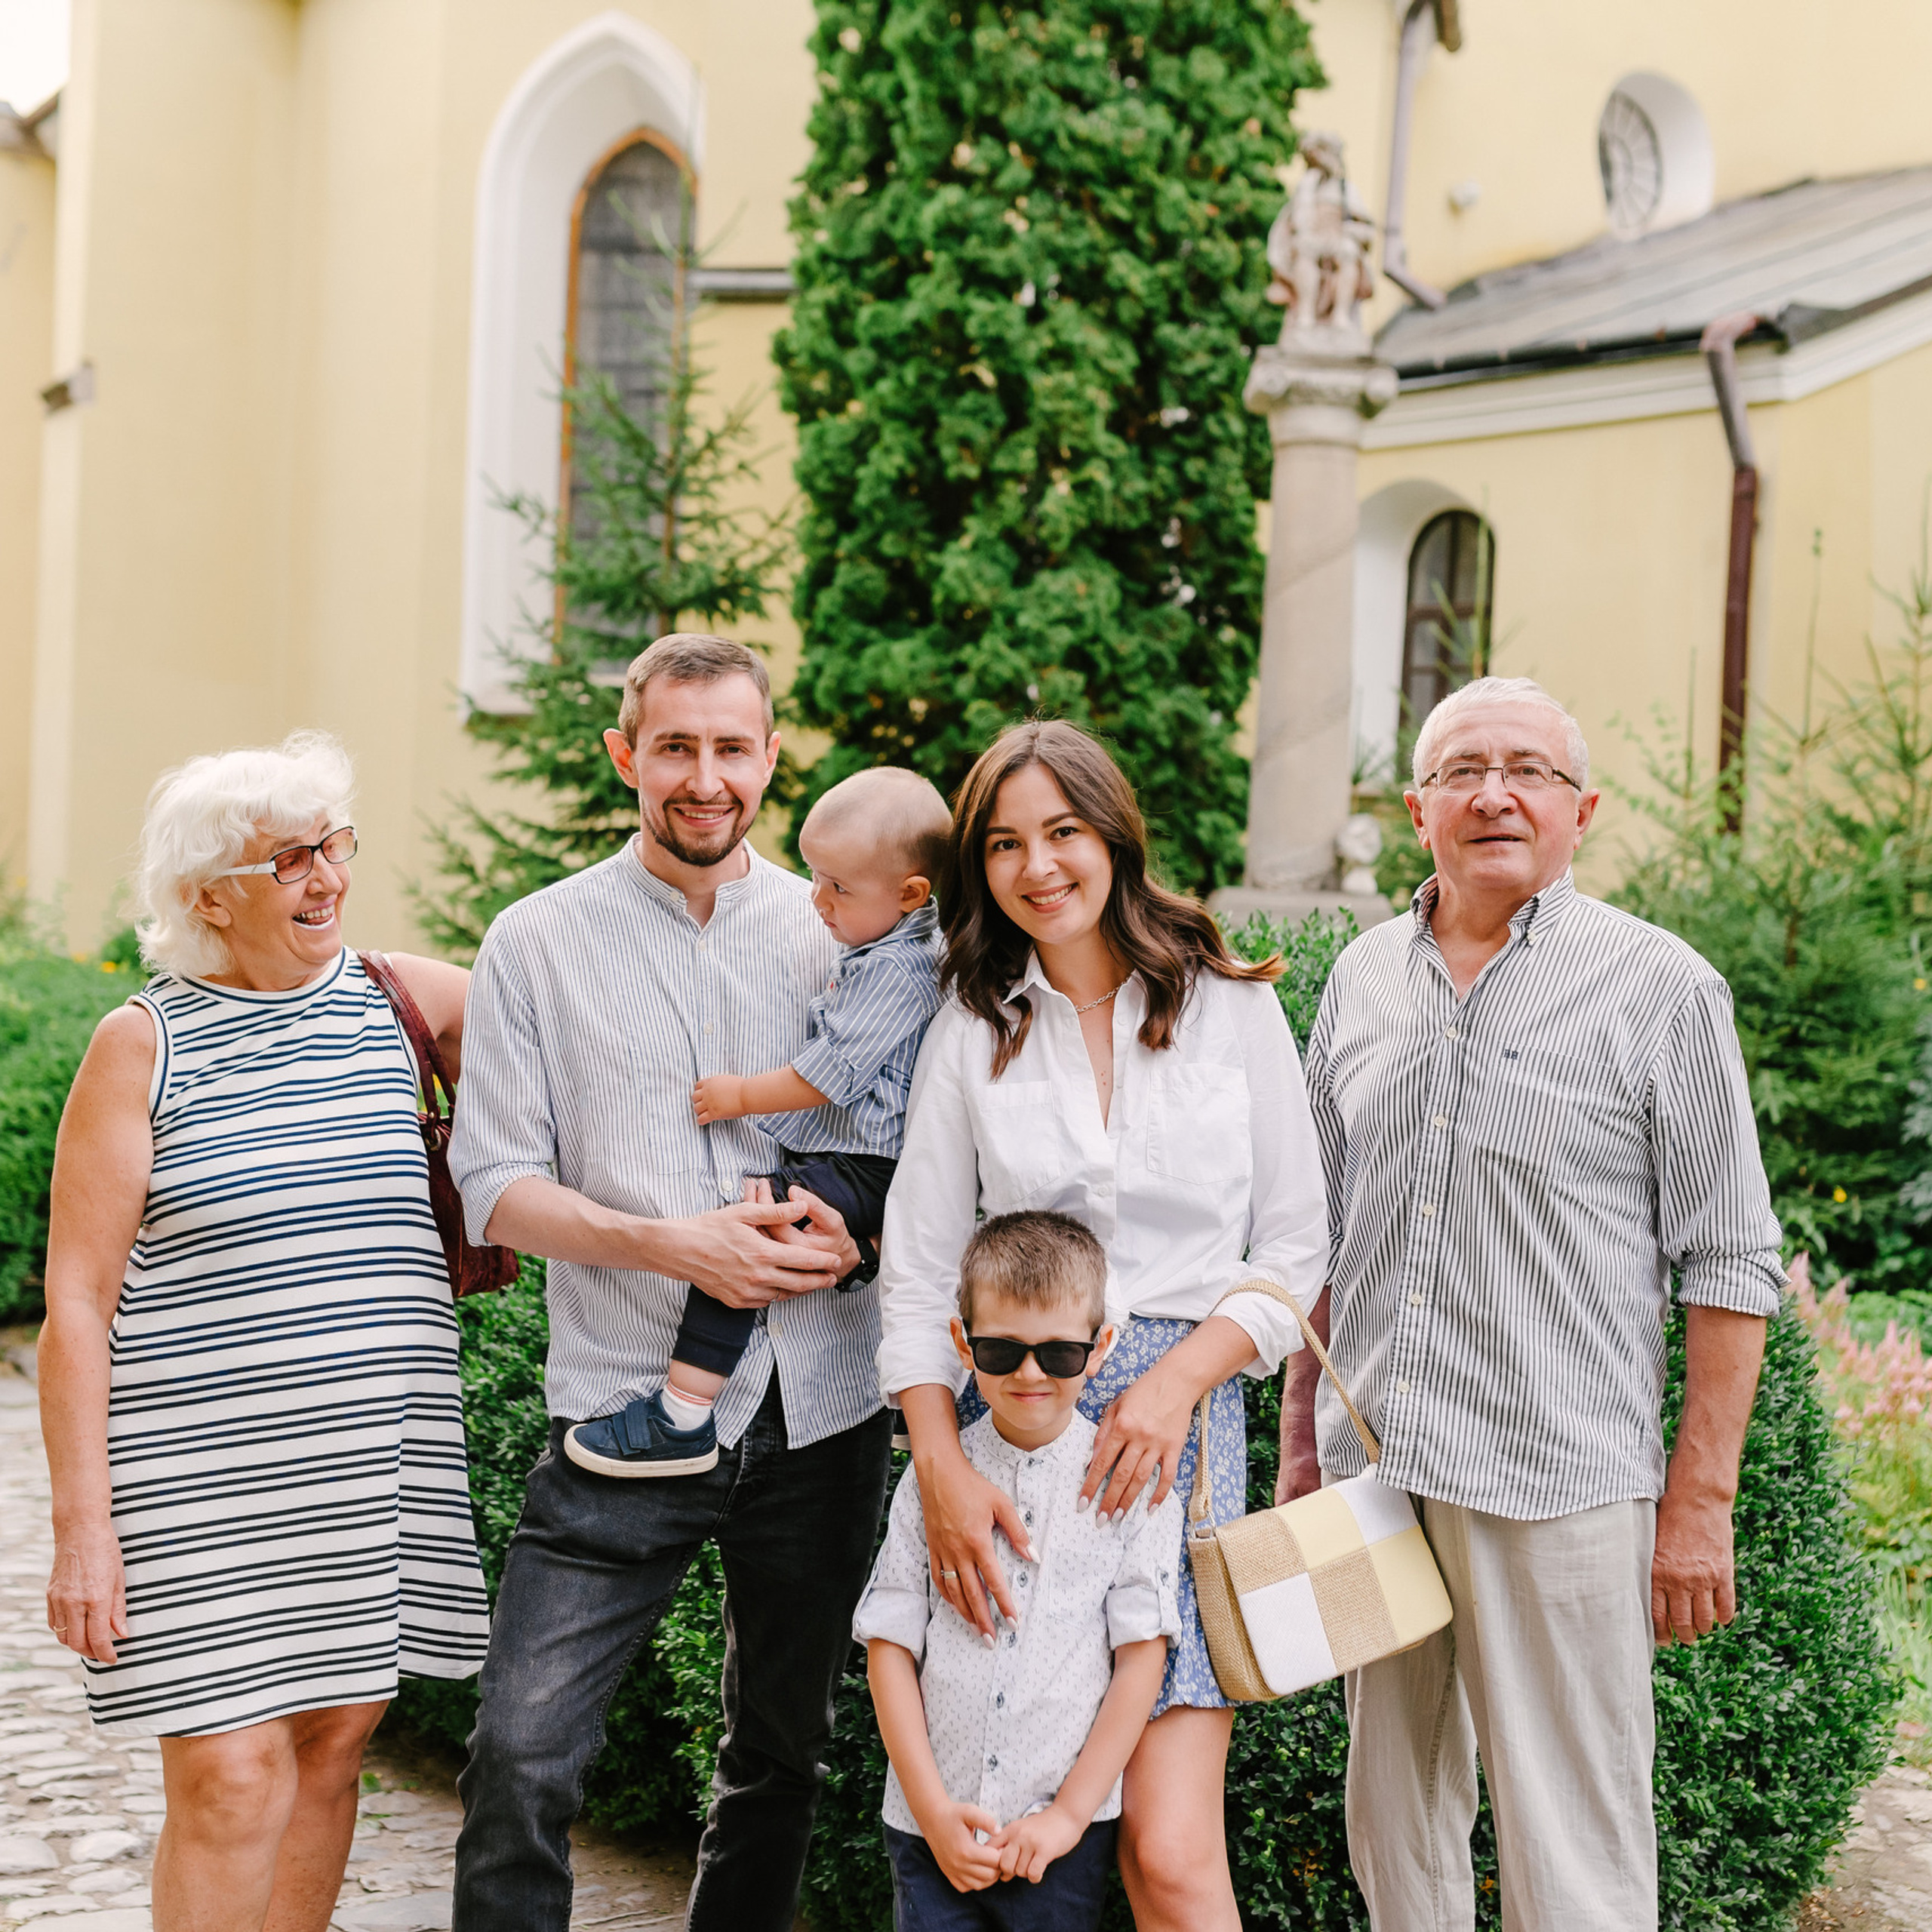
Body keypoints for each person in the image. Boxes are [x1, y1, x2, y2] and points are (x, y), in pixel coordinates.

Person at [1282, 675, 1785, 1932]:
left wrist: (1699, 1508)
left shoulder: (1663, 987)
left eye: (1529, 772)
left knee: (1575, 1840)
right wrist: (1302, 1448)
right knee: (1391, 1824)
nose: (1493, 794)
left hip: (1559, 1481)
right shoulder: (1359, 979)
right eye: (1461, 770)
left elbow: (1732, 1262)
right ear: (1416, 808)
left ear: (1582, 809)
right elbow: (1317, 1244)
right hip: (1370, 1482)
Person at [446, 632, 892, 1932]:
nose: (706, 777)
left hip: (822, 1407)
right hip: (623, 1405)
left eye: (733, 748)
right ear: (626, 754)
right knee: (522, 1756)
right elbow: (496, 1182)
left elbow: (918, 1132)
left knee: (781, 1755)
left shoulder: (843, 935)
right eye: (677, 747)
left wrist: (856, 1239)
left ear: (770, 757)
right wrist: (674, 1245)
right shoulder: (534, 943)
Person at [879, 719, 1329, 1932]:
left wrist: (1179, 1379)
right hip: (1010, 1443)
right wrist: (938, 1468)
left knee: (1171, 1859)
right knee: (1016, 1825)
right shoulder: (972, 1028)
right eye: (1007, 843)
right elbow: (918, 1277)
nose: (1039, 868)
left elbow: (1295, 1252)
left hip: (1176, 1449)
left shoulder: (1232, 1008)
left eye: (1063, 832)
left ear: (1114, 835)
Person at [38, 732, 489, 1932]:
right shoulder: (144, 1043)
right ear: (206, 900)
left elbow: (598, 1041)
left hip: (366, 1464)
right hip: (196, 1480)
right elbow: (76, 1300)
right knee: (231, 1775)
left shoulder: (404, 999)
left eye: (332, 844)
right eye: (284, 859)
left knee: (335, 1745)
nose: (324, 876)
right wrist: (83, 1531)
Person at [566, 764, 950, 1478]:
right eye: (815, 876)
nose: (818, 900)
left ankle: (682, 1412)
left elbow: (828, 1074)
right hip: (861, 1161)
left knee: (748, 1230)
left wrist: (737, 1096)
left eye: (839, 887)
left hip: (874, 1164)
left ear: (910, 895)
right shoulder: (882, 945)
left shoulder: (900, 969)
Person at [857, 1211, 1180, 1931]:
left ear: (1099, 1351)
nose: (1030, 1374)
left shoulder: (1134, 1491)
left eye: (1058, 1354)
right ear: (962, 1345)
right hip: (929, 1830)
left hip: (1059, 1842)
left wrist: (1067, 1818)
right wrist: (934, 1815)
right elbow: (889, 1645)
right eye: (1002, 1351)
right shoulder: (931, 1484)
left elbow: (1141, 1661)